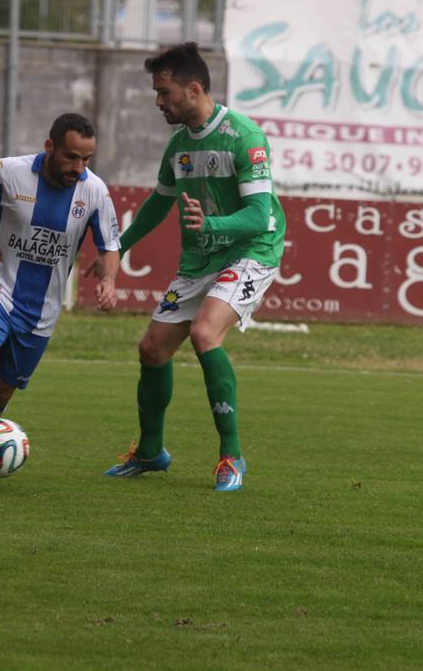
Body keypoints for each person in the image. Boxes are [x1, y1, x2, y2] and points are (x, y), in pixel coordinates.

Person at [104, 43, 286, 492]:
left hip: (252, 250)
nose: (158, 102)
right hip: (200, 258)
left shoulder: (244, 136)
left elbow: (259, 215)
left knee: (205, 334)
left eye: (164, 92)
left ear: (194, 88)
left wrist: (211, 223)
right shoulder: (179, 146)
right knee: (152, 349)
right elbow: (158, 204)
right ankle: (150, 453)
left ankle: (232, 456)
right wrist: (118, 247)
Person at [0, 112, 121, 486]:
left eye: (86, 159)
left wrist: (109, 280)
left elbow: (110, 245)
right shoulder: (10, 172)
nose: (78, 167)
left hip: (41, 312)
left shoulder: (94, 191)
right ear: (49, 146)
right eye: (71, 157)